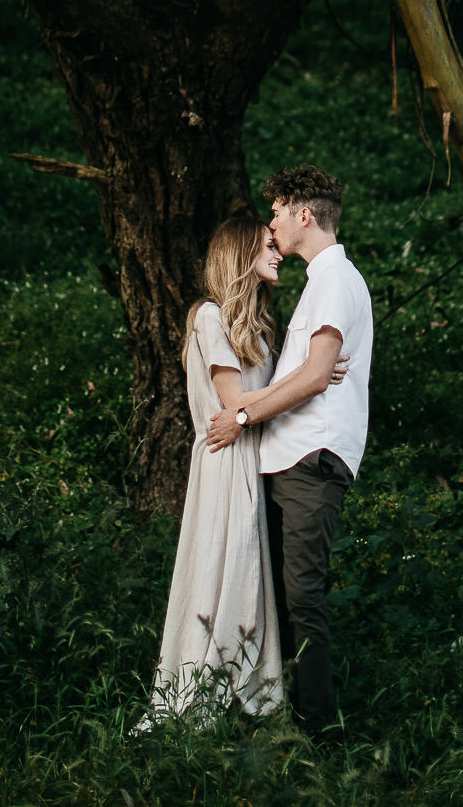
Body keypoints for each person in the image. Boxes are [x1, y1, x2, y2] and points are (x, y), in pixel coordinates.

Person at [208, 165, 373, 735]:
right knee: (280, 597)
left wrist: (244, 415)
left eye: (277, 211)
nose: (272, 223)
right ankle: (272, 711)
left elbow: (317, 374)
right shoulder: (318, 285)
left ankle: (318, 733)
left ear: (305, 215)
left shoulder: (334, 279)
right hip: (287, 459)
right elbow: (307, 374)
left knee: (301, 599)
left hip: (311, 459)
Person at [147, 212, 284, 720]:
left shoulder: (260, 327)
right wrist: (308, 379)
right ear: (241, 254)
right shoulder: (209, 316)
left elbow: (256, 406)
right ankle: (208, 684)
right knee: (226, 566)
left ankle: (248, 685)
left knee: (249, 570)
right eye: (268, 245)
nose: (278, 254)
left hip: (252, 457)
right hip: (225, 460)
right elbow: (236, 401)